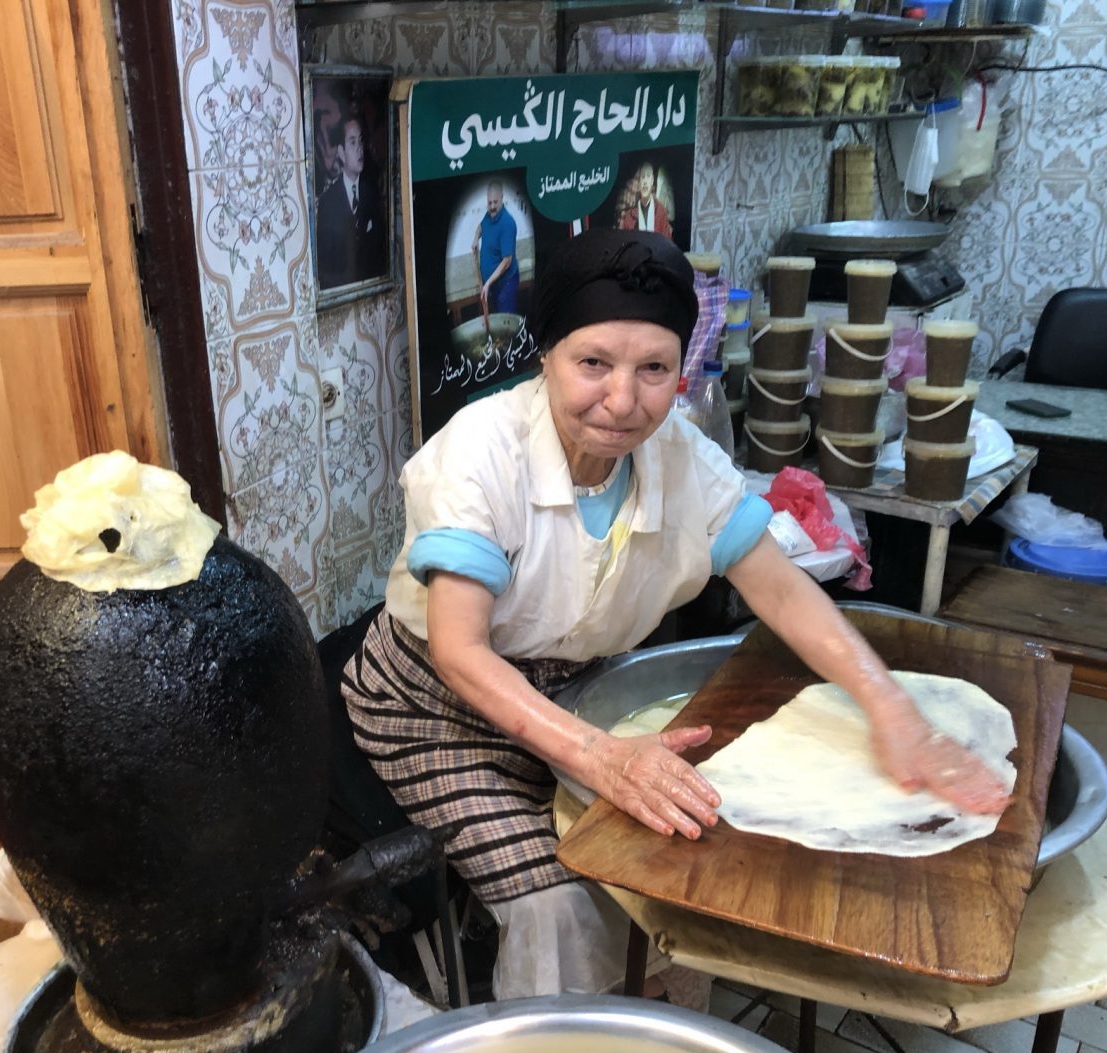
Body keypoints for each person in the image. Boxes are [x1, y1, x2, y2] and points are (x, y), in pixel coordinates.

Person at [342, 229, 1010, 1002]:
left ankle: (663, 1034)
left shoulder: (680, 460)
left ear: (678, 370)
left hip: (573, 696)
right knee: (556, 901)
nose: (623, 401)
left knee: (676, 865)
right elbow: (460, 652)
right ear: (545, 355)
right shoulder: (479, 457)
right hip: (432, 709)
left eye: (653, 369)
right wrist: (600, 759)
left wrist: (895, 711)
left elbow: (783, 590)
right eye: (592, 363)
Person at [316, 116, 384, 289]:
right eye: (352, 143)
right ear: (341, 153)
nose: (359, 149)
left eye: (361, 141)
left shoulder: (372, 192)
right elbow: (324, 267)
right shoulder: (327, 203)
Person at [472, 182, 519, 315]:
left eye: (495, 202)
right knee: (496, 318)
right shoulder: (489, 215)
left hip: (505, 285)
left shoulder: (507, 223)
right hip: (493, 284)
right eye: (489, 202)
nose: (492, 206)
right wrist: (476, 238)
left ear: (502, 198)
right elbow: (481, 227)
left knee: (506, 322)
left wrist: (487, 284)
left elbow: (507, 261)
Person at [619, 161, 672, 238]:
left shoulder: (660, 212)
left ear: (652, 180)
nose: (645, 182)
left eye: (648, 176)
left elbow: (667, 243)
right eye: (643, 177)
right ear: (639, 183)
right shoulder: (629, 216)